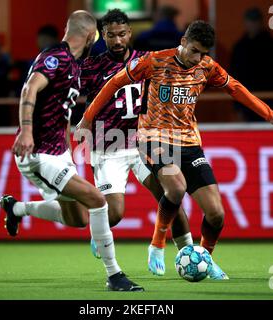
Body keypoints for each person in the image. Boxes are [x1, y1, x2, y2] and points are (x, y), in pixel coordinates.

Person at [78, 20, 273, 279]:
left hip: (190, 143)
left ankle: (203, 257)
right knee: (176, 188)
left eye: (204, 53)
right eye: (194, 50)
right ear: (183, 41)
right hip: (154, 138)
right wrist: (88, 117)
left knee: (216, 214)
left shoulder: (206, 67)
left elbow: (235, 88)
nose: (198, 58)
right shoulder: (154, 61)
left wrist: (270, 114)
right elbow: (114, 83)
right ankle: (157, 245)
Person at [0, 10, 143, 292]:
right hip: (38, 153)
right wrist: (26, 130)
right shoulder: (57, 58)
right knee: (97, 200)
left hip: (56, 152)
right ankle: (115, 275)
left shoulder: (76, 66)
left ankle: (16, 208)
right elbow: (29, 90)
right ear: (92, 36)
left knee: (78, 219)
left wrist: (67, 146)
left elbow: (59, 113)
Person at [79, 9, 193, 275]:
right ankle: (99, 230)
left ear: (129, 33)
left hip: (144, 143)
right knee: (115, 213)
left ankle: (192, 254)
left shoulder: (147, 61)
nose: (117, 41)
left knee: (171, 195)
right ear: (102, 37)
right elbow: (66, 89)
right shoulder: (92, 67)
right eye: (110, 36)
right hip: (107, 146)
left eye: (121, 34)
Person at [230, 7, 273, 122]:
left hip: (271, 103)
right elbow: (233, 76)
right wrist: (237, 106)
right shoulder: (240, 47)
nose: (252, 24)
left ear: (261, 22)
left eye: (255, 21)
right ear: (245, 23)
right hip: (247, 105)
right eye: (250, 21)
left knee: (270, 138)